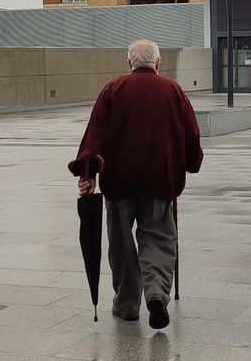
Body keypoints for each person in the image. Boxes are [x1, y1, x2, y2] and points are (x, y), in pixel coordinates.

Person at [72, 39, 203, 330]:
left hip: (119, 183)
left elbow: (95, 134)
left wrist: (88, 174)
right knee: (159, 237)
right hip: (160, 180)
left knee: (120, 243)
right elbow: (190, 134)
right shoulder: (173, 91)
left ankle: (128, 304)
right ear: (158, 63)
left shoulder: (113, 89)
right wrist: (192, 163)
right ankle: (156, 292)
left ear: (129, 63)